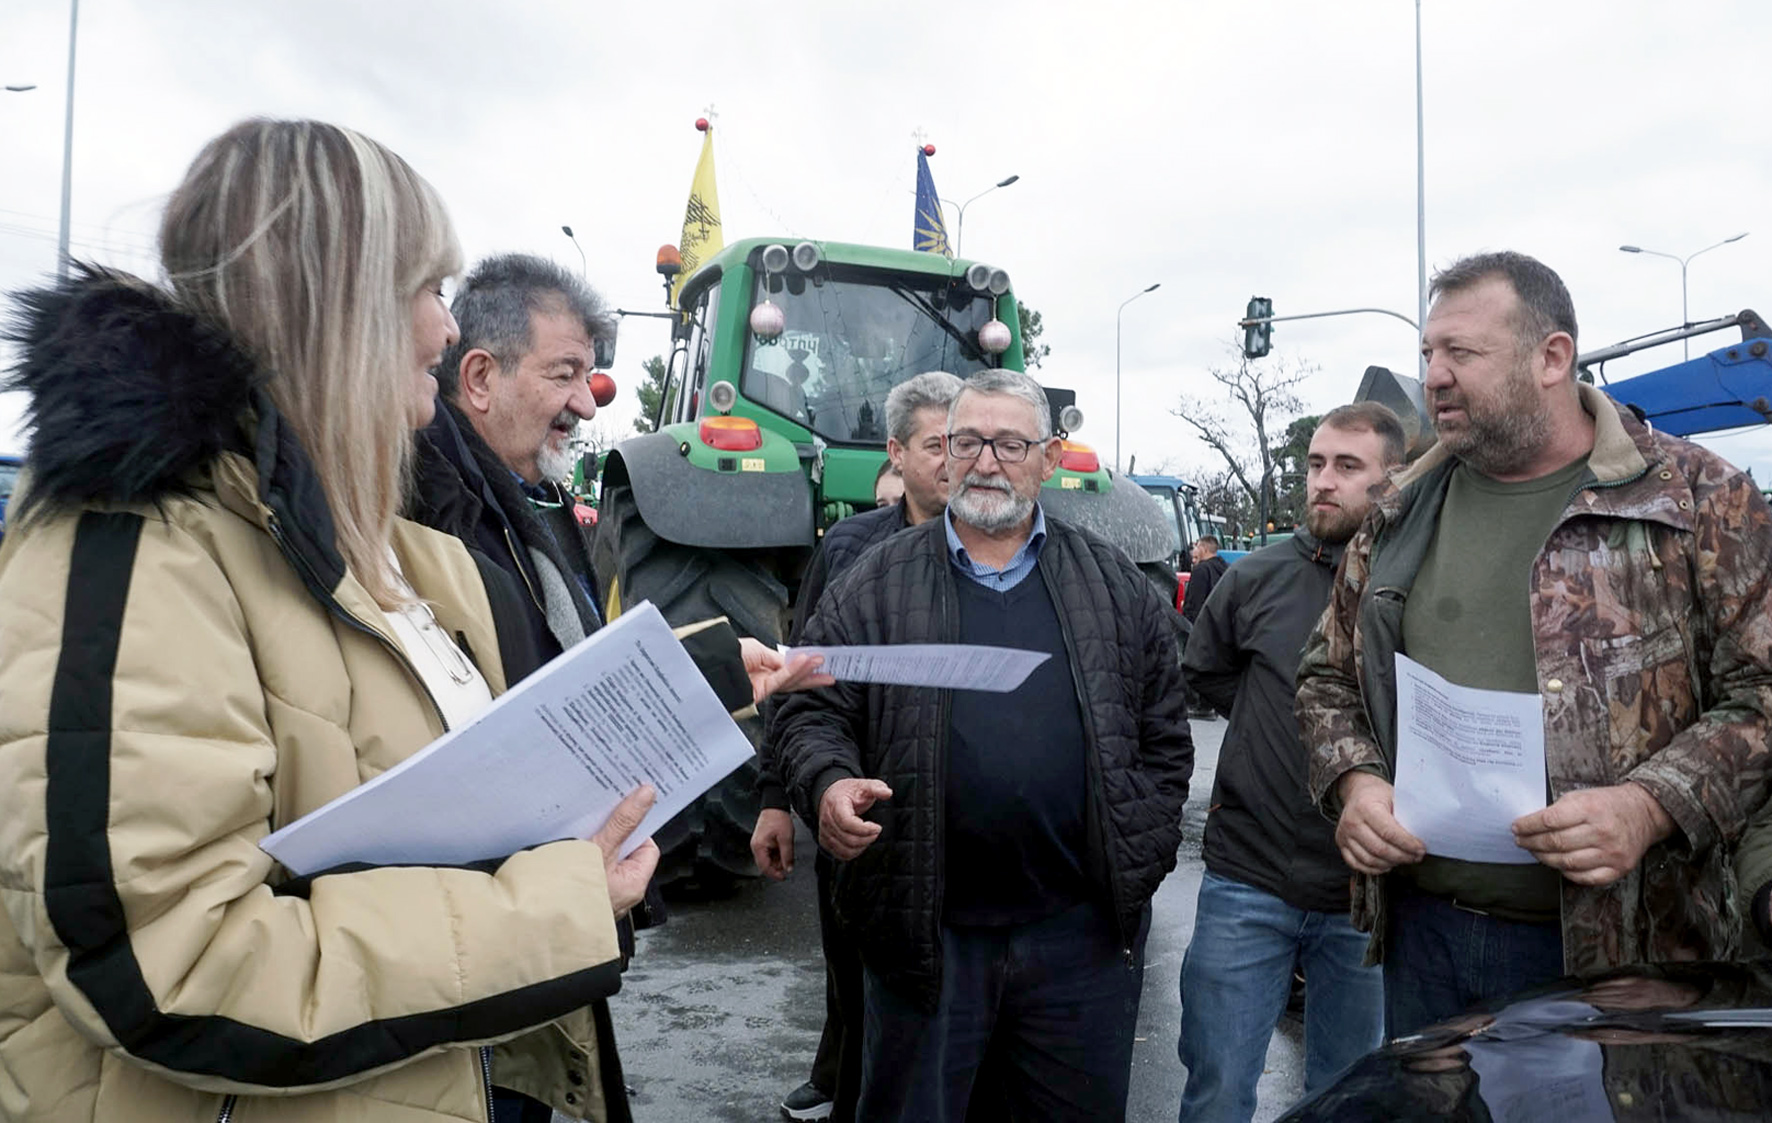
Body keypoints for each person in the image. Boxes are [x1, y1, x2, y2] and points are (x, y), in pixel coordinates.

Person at [0, 118, 657, 1121]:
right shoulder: (139, 546)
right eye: (428, 290)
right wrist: (558, 907)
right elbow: (172, 963)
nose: (445, 331)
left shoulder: (382, 553)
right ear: (338, 299)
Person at [1296, 250, 1772, 1037]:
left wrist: (1648, 805)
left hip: (1629, 951)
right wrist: (1355, 783)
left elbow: (1762, 690)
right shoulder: (1398, 509)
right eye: (1429, 353)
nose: (1435, 375)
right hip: (1427, 935)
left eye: (1462, 353)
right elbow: (1326, 677)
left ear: (1552, 357)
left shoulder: (1696, 496)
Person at [773, 368, 1194, 1122]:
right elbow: (811, 710)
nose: (986, 461)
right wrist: (828, 782)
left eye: (1009, 442)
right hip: (927, 941)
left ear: (1049, 458)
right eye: (967, 440)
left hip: (1079, 943)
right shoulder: (874, 581)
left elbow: (1163, 736)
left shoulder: (1114, 587)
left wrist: (1141, 850)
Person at [1176, 403, 1404, 1123]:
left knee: (1349, 1095)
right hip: (1249, 878)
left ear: (1392, 479)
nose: (1322, 482)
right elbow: (1208, 674)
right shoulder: (1254, 579)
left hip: (1363, 896)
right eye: (1314, 464)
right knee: (1217, 1088)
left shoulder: (1411, 582)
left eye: (1346, 466)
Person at [757, 370, 962, 1122]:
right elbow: (798, 685)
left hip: (952, 823)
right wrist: (778, 800)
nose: (954, 460)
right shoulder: (849, 549)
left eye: (962, 442)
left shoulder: (994, 552)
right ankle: (841, 1077)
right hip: (853, 806)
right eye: (937, 444)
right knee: (851, 969)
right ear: (896, 453)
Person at [1180, 535, 1228, 624]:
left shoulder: (1201, 571)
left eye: (1197, 547)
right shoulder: (1226, 569)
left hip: (1203, 629)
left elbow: (1194, 605)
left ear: (1203, 550)